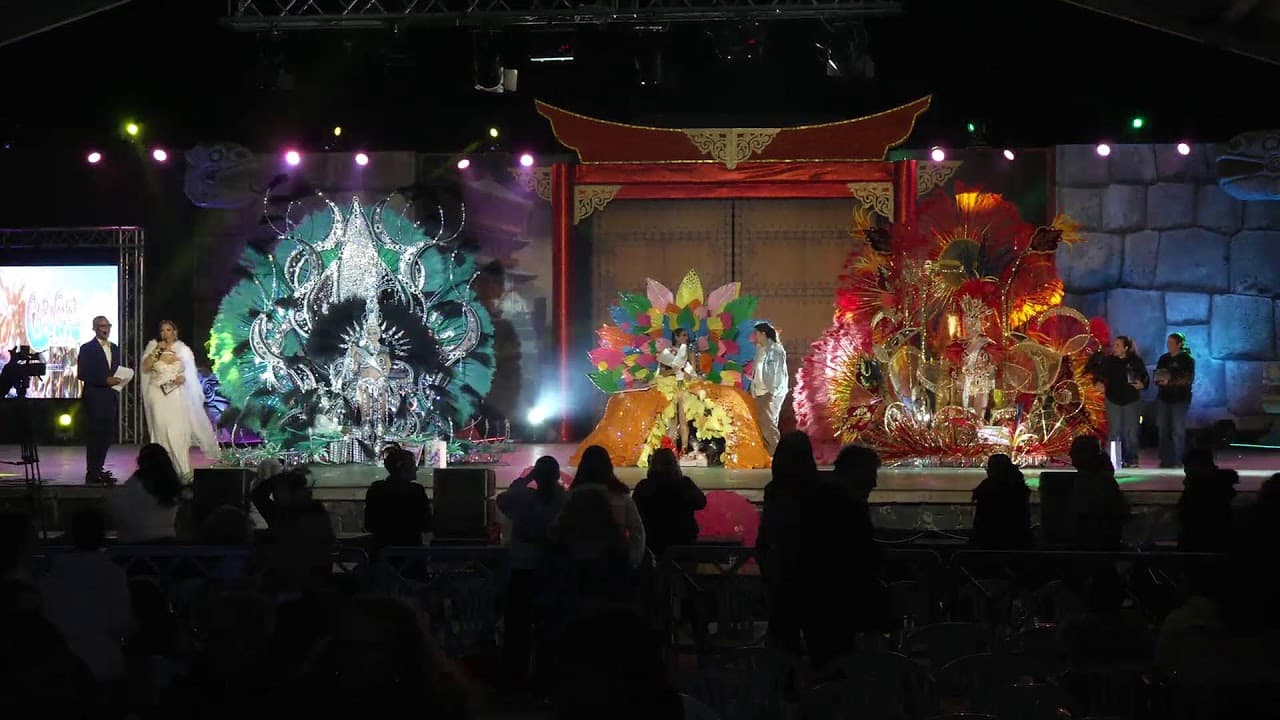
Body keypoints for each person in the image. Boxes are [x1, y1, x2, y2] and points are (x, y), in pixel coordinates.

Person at [496, 456, 569, 690]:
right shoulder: (565, 501)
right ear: (557, 476)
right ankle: (545, 682)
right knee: (548, 630)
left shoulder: (523, 498)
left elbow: (502, 500)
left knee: (517, 629)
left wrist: (524, 479)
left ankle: (513, 681)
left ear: (535, 476)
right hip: (551, 571)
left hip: (523, 569)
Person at [39, 508, 131, 682]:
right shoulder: (113, 574)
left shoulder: (51, 575)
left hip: (63, 664)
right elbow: (120, 623)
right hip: (102, 662)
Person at [140, 319, 220, 480]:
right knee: (161, 432)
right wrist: (157, 350)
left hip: (176, 395)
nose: (165, 333)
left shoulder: (183, 350)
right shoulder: (153, 346)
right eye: (162, 330)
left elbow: (191, 376)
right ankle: (163, 473)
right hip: (158, 394)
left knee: (177, 433)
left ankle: (184, 471)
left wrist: (182, 380)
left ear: (175, 332)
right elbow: (145, 368)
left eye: (169, 330)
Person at [573, 445, 647, 568]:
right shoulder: (621, 497)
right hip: (614, 563)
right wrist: (633, 561)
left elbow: (557, 530)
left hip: (582, 564)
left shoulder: (574, 496)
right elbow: (638, 531)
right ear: (608, 467)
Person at [632, 447, 707, 559]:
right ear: (674, 464)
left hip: (652, 545)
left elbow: (635, 513)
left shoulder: (643, 487)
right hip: (682, 544)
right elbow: (701, 502)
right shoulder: (684, 485)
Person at [78, 315, 123, 485]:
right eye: (102, 326)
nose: (106, 329)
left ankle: (99, 469)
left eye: (108, 326)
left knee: (106, 436)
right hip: (95, 397)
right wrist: (104, 380)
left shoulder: (115, 348)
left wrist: (120, 379)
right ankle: (92, 472)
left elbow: (116, 370)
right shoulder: (87, 348)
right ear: (95, 328)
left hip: (110, 397)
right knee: (95, 435)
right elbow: (82, 373)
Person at [108, 443, 183, 543]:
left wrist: (110, 493)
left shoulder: (135, 485)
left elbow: (118, 513)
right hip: (168, 550)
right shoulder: (173, 488)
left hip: (134, 548)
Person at [1092, 335, 1148, 468]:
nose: (1114, 348)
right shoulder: (1109, 361)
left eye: (1118, 345)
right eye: (1114, 345)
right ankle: (1112, 459)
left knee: (1131, 431)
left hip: (1131, 400)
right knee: (1114, 430)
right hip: (1113, 399)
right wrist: (1098, 382)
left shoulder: (1135, 361)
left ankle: (1132, 459)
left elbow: (1144, 377)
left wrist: (1143, 384)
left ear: (1126, 348)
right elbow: (1098, 374)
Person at [363, 447, 433, 547]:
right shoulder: (416, 491)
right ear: (402, 467)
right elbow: (427, 525)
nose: (416, 468)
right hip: (411, 551)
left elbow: (369, 525)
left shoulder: (376, 489)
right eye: (413, 464)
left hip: (381, 550)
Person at [971, 453, 1034, 550]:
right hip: (1019, 544)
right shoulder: (1019, 489)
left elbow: (983, 522)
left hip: (988, 544)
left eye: (988, 469)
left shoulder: (986, 489)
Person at [1154, 332, 1195, 469]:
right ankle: (1165, 459)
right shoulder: (1163, 358)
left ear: (1179, 344)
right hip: (1164, 398)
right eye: (1168, 343)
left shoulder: (1187, 360)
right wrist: (1159, 380)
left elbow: (1187, 378)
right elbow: (1158, 375)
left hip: (1180, 398)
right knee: (1163, 429)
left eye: (1172, 343)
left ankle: (1178, 460)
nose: (1169, 345)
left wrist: (1170, 381)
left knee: (1178, 430)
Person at [749, 321, 788, 454]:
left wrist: (773, 391)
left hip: (770, 392)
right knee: (762, 423)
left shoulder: (775, 350)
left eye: (757, 334)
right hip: (759, 391)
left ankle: (777, 453)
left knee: (767, 423)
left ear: (763, 334)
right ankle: (768, 453)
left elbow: (778, 373)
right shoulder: (760, 350)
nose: (755, 337)